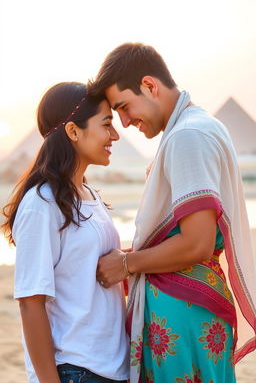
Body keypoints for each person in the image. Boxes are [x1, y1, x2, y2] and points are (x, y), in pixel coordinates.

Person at [93, 43, 256, 383]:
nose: (124, 122)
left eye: (124, 107)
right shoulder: (198, 126)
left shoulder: (187, 136)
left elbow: (195, 243)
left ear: (150, 86)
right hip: (190, 309)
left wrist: (126, 264)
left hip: (183, 315)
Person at [2, 82, 130, 383]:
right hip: (75, 370)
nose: (115, 135)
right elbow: (30, 302)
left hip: (112, 368)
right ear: (73, 131)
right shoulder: (41, 204)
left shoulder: (89, 195)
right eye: (106, 124)